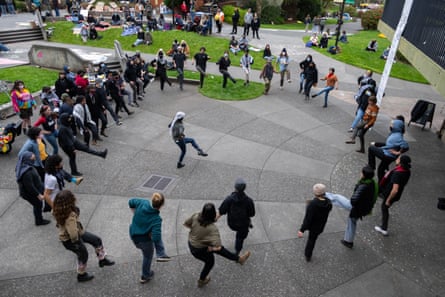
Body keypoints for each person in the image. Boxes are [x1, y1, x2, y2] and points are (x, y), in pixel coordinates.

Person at [52, 190, 114, 282]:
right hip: (71, 240)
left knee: (96, 240)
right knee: (83, 255)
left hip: (79, 233)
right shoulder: (70, 216)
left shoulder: (58, 210)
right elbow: (73, 233)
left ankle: (102, 259)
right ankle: (81, 275)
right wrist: (78, 243)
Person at [184, 203, 251, 288]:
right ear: (213, 215)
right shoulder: (212, 229)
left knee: (217, 250)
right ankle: (201, 280)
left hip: (191, 243)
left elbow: (186, 224)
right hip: (199, 250)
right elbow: (218, 247)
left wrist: (196, 232)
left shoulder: (195, 216)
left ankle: (238, 259)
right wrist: (210, 249)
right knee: (210, 262)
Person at [129, 193, 171, 284]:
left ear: (152, 199)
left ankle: (161, 254)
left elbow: (131, 201)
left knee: (147, 251)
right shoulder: (156, 219)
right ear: (161, 205)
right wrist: (150, 234)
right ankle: (145, 276)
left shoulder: (142, 202)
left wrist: (134, 211)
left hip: (133, 234)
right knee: (147, 257)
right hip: (144, 241)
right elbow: (156, 238)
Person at [340, 166, 378, 249]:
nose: (360, 173)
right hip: (364, 208)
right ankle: (348, 241)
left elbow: (353, 200)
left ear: (364, 175)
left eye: (361, 172)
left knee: (338, 199)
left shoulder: (363, 186)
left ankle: (348, 241)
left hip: (357, 209)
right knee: (352, 222)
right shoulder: (373, 183)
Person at [375, 155, 411, 236]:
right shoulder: (407, 171)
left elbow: (395, 190)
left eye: (398, 158)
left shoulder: (397, 173)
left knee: (384, 207)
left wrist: (388, 200)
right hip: (396, 193)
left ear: (401, 162)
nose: (397, 159)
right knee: (384, 206)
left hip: (391, 194)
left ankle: (384, 228)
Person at [217, 178, 255, 255]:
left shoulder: (229, 199)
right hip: (243, 225)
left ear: (235, 188)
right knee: (240, 238)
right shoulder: (249, 201)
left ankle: (236, 253)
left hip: (232, 224)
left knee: (240, 235)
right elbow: (252, 214)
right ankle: (237, 251)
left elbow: (221, 211)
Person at [298, 184, 332, 262]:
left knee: (311, 240)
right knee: (314, 238)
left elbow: (308, 219)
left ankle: (308, 255)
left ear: (315, 193)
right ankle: (308, 255)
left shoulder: (312, 205)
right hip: (321, 226)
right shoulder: (329, 202)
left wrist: (302, 230)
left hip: (313, 227)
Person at [16, 152, 50, 226]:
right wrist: (38, 195)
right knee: (38, 204)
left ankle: (46, 209)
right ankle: (39, 221)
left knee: (39, 203)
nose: (34, 160)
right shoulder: (26, 173)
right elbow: (30, 187)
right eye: (32, 159)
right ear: (27, 160)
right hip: (30, 193)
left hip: (37, 188)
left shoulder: (26, 165)